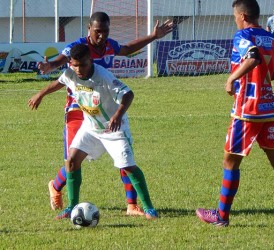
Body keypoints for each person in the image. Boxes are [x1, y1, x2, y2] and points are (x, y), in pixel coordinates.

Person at [29, 12, 173, 216]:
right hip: (78, 108)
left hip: (107, 112)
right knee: (71, 160)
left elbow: (127, 50)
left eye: (105, 31)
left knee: (125, 163)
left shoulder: (107, 54)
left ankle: (134, 205)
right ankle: (61, 193)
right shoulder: (77, 50)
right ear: (89, 28)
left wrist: (153, 36)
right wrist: (48, 68)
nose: (102, 35)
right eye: (98, 31)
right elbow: (61, 64)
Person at [196, 0, 274, 227]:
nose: (235, 20)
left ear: (242, 16)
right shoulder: (271, 38)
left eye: (235, 16)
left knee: (230, 162)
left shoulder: (242, 36)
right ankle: (221, 216)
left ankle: (221, 217)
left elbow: (252, 56)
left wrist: (232, 78)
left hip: (247, 110)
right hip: (269, 108)